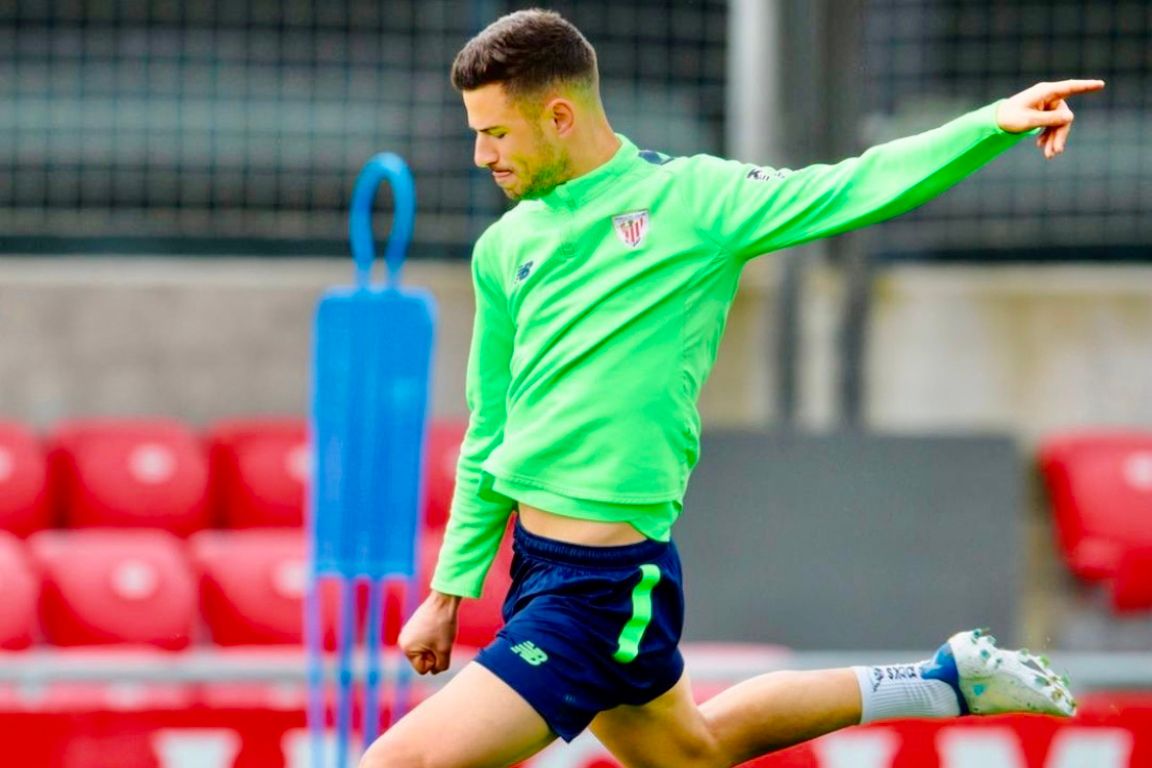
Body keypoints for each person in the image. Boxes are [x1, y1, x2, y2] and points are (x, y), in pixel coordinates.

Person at [361, 9, 1102, 768]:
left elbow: (850, 186)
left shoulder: (695, 201)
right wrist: (448, 591)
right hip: (538, 567)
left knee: (395, 765)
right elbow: (491, 427)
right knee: (700, 750)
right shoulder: (503, 247)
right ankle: (945, 681)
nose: (481, 155)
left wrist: (988, 126)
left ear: (558, 115)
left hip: (600, 591)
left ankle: (947, 681)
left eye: (497, 133)